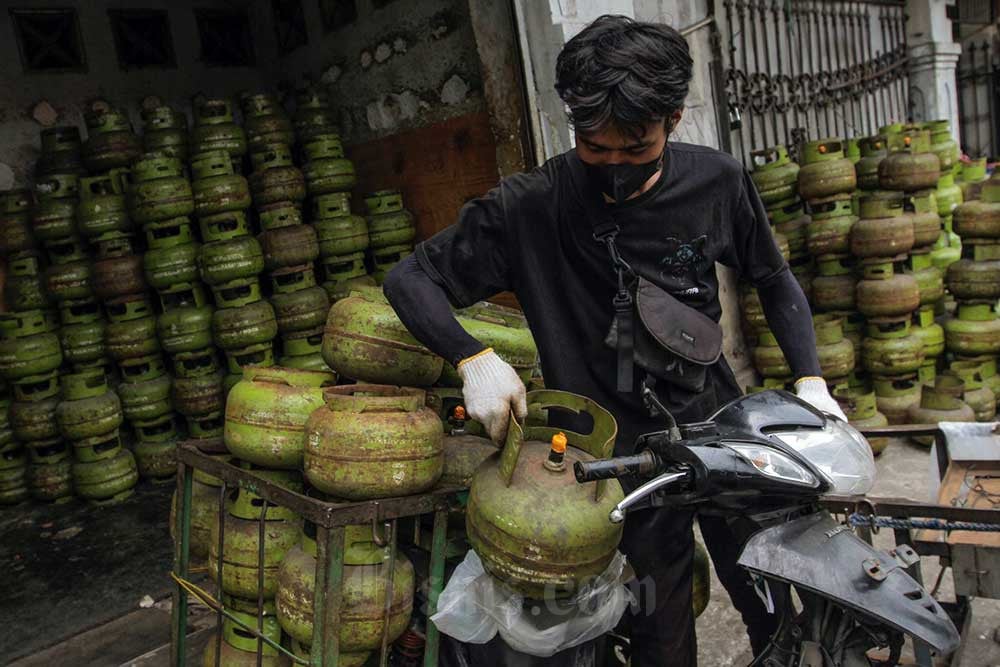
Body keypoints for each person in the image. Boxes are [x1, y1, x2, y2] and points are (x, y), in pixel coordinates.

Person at [383, 14, 845, 667]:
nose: (614, 168)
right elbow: (410, 280)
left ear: (675, 120)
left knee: (771, 593)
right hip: (616, 466)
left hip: (719, 432)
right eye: (594, 149)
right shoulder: (529, 207)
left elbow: (771, 277)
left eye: (636, 149)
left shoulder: (716, 182)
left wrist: (811, 380)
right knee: (659, 626)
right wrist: (471, 356)